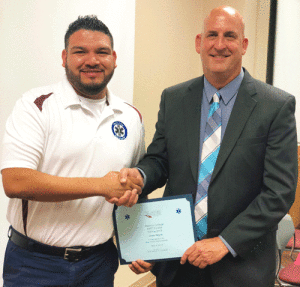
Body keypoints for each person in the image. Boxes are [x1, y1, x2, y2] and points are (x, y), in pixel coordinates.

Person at [117, 6, 298, 287]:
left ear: (244, 44)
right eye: (212, 35)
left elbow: (279, 192)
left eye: (230, 36)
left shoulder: (275, 106)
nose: (220, 44)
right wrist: (139, 177)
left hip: (240, 268)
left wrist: (225, 242)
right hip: (178, 262)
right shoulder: (174, 99)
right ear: (199, 43)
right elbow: (160, 162)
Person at [1, 15, 145, 287]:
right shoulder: (36, 106)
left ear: (114, 58)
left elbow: (133, 186)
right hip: (34, 264)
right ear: (65, 57)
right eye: (80, 52)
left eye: (102, 52)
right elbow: (15, 181)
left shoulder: (131, 116)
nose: (92, 60)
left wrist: (138, 243)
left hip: (99, 264)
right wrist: (101, 186)